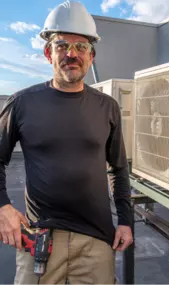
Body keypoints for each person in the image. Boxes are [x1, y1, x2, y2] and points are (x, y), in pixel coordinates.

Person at [0, 1, 133, 284]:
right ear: (48, 53)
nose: (71, 54)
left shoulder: (107, 107)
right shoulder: (22, 103)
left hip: (96, 242)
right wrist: (3, 207)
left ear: (91, 57)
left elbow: (119, 169)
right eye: (62, 46)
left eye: (81, 47)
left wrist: (125, 220)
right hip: (39, 239)